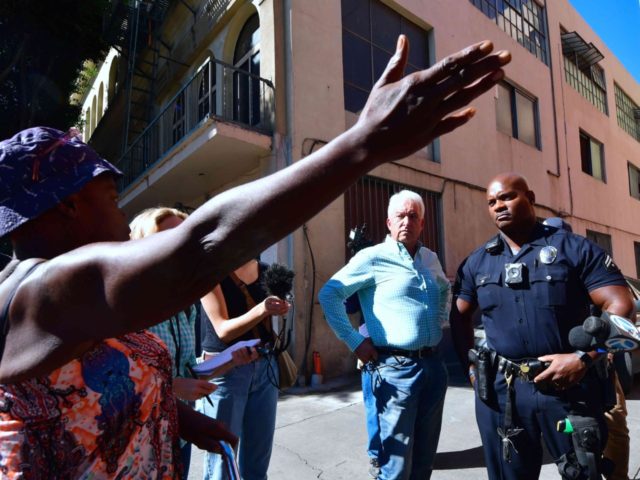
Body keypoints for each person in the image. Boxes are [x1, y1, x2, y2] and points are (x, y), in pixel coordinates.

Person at [0, 35, 510, 477]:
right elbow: (203, 242)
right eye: (110, 199)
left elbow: (88, 398)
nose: (121, 215)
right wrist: (363, 143)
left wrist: (175, 417)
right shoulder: (38, 292)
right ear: (65, 208)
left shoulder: (74, 303)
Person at [450, 174, 635, 480]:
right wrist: (469, 368)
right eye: (492, 202)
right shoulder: (477, 262)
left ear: (531, 198)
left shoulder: (575, 249)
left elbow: (621, 306)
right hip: (503, 393)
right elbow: (459, 316)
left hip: (569, 387)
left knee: (582, 471)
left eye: (507, 197)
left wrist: (586, 357)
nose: (499, 206)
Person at [319, 190, 451, 479]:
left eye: (413, 216)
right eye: (400, 216)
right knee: (395, 465)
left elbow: (444, 289)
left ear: (422, 223)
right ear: (388, 223)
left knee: (424, 460)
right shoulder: (373, 257)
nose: (407, 221)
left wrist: (441, 319)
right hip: (395, 370)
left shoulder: (430, 258)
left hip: (432, 366)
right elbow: (329, 295)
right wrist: (355, 341)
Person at [129, 207, 217, 477]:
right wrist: (173, 386)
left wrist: (227, 363)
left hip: (179, 431)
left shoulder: (184, 303)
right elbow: (113, 380)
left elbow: (187, 365)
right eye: (169, 236)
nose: (180, 245)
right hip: (138, 440)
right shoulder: (127, 304)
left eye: (185, 237)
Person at [543, 217, 630, 480]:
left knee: (614, 422)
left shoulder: (588, 271)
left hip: (597, 364)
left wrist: (599, 353)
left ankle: (618, 476)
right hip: (557, 367)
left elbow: (617, 317)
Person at [198, 258, 289, 479]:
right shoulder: (211, 271)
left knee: (257, 465)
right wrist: (263, 309)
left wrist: (283, 308)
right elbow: (222, 329)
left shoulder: (267, 271)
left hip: (265, 367)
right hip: (225, 372)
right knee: (222, 462)